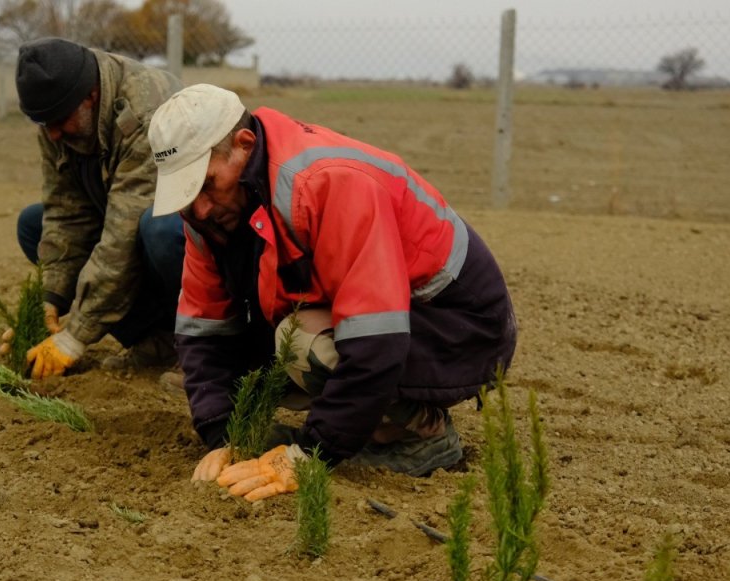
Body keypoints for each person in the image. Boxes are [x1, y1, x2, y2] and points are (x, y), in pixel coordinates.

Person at [148, 84, 517, 501]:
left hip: (457, 328)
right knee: (254, 362)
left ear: (244, 146)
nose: (198, 209)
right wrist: (222, 434)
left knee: (299, 340)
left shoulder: (326, 183)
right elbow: (203, 330)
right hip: (374, 320)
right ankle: (361, 427)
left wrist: (311, 454)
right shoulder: (211, 216)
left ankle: (420, 436)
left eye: (207, 184)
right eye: (185, 192)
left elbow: (376, 341)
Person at [12, 37, 185, 380]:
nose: (54, 135)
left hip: (195, 235)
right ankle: (157, 341)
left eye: (60, 122)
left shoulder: (144, 111)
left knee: (159, 229)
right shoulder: (57, 120)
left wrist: (75, 336)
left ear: (90, 96)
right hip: (129, 220)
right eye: (45, 126)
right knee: (33, 223)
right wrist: (51, 297)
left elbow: (123, 233)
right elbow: (65, 210)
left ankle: (205, 349)